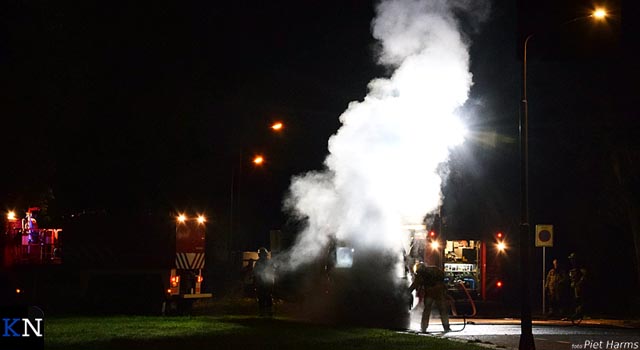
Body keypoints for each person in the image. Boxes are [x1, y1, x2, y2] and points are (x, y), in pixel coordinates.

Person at [408, 263, 451, 333]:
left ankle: (424, 327)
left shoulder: (420, 274)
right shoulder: (435, 269)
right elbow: (443, 277)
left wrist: (408, 291)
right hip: (440, 291)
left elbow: (414, 285)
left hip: (430, 292)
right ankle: (446, 327)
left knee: (427, 310)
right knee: (443, 310)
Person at [253, 247, 275, 317]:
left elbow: (272, 271)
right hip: (262, 282)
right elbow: (256, 273)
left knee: (267, 297)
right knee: (262, 297)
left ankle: (268, 312)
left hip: (266, 281)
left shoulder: (265, 262)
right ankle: (265, 312)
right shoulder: (259, 262)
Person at [568, 252, 587, 319]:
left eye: (573, 259)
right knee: (575, 300)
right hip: (574, 287)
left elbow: (584, 277)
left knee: (579, 300)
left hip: (579, 287)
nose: (572, 261)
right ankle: (576, 313)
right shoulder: (572, 270)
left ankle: (579, 313)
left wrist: (579, 283)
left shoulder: (581, 269)